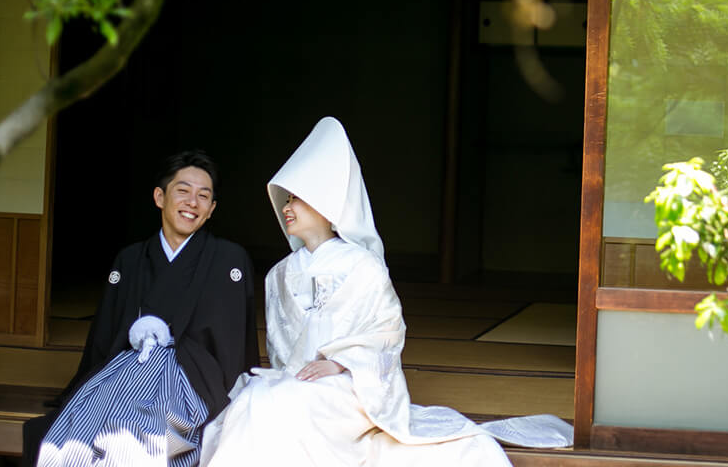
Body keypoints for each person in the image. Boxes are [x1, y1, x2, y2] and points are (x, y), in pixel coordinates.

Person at [201, 116, 572, 466]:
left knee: (279, 403)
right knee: (256, 399)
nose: (287, 206)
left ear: (328, 208)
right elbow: (282, 351)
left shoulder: (362, 265)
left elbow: (387, 333)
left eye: (296, 198)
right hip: (300, 383)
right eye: (287, 199)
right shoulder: (280, 274)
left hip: (350, 387)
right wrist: (296, 373)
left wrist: (339, 362)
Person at [25, 150, 258, 467]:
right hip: (127, 368)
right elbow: (107, 333)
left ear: (212, 209)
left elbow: (233, 341)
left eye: (204, 196)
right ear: (160, 197)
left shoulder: (229, 259)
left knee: (146, 438)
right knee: (81, 429)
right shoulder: (131, 259)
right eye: (183, 191)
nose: (193, 202)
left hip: (191, 378)